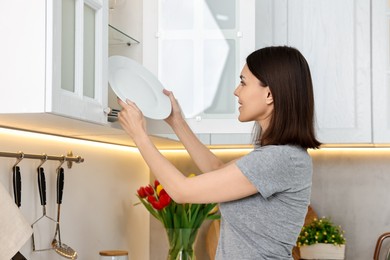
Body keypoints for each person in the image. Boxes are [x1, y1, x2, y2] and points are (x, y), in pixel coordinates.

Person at [117, 46, 321, 259]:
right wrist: (177, 121)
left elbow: (181, 191)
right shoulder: (279, 156)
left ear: (269, 94)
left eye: (243, 82)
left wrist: (139, 135)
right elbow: (217, 170)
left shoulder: (279, 159)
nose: (236, 91)